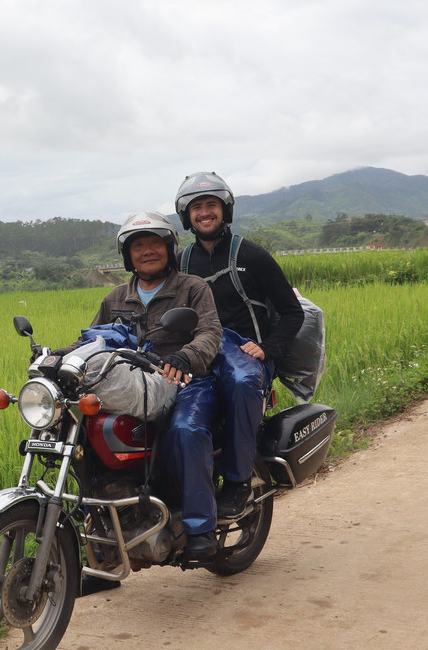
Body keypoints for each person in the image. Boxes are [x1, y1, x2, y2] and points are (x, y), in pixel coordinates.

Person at [85, 211, 223, 563]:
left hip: (188, 380)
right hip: (132, 383)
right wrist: (55, 358)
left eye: (155, 243)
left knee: (185, 431)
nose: (148, 251)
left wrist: (184, 356)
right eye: (139, 245)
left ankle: (200, 528)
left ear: (169, 249)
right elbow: (94, 339)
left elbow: (210, 332)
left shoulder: (192, 287)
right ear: (128, 255)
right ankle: (100, 545)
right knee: (81, 435)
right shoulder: (115, 297)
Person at [174, 172, 305, 518]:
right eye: (197, 207)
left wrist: (268, 349)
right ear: (187, 216)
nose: (204, 213)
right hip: (200, 352)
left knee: (243, 382)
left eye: (211, 205)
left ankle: (238, 480)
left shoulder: (253, 255)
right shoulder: (181, 262)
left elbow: (292, 312)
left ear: (225, 209)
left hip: (246, 353)